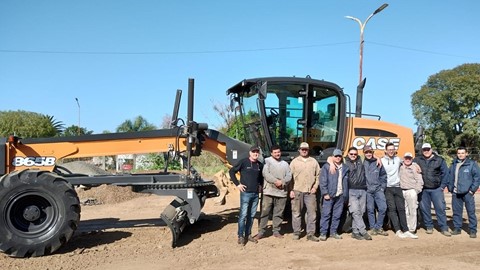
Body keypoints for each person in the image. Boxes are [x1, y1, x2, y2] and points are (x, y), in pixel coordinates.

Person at [229, 145, 264, 245]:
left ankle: (248, 234)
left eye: (257, 152)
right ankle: (240, 236)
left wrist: (260, 186)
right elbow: (232, 171)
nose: (255, 154)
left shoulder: (259, 165)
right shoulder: (243, 162)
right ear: (250, 153)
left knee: (251, 215)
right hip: (246, 193)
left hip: (255, 194)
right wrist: (237, 184)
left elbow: (261, 178)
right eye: (253, 152)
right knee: (243, 215)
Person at [381, 142, 417, 239]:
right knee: (392, 209)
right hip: (387, 188)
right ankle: (397, 230)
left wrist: (416, 165)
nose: (391, 151)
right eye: (389, 149)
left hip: (397, 187)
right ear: (385, 150)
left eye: (392, 149)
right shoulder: (381, 160)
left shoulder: (398, 159)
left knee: (401, 209)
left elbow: (408, 161)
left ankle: (405, 230)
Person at [413, 143, 451, 236]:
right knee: (425, 209)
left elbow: (445, 174)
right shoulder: (417, 159)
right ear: (422, 151)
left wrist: (442, 186)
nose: (426, 151)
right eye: (424, 150)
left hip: (436, 189)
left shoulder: (439, 160)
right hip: (423, 189)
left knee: (440, 209)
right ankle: (429, 226)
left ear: (431, 149)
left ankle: (444, 228)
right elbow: (407, 162)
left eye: (428, 149)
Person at [255, 145, 292, 239]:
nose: (277, 154)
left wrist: (282, 182)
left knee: (279, 213)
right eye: (275, 152)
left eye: (278, 152)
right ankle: (261, 231)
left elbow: (289, 176)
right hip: (268, 191)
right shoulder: (267, 161)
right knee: (265, 212)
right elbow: (265, 174)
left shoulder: (285, 164)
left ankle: (276, 231)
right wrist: (275, 181)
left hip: (281, 192)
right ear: (271, 153)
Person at [289, 142, 321, 242]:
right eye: (302, 149)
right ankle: (297, 232)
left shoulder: (314, 162)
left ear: (308, 150)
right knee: (296, 213)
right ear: (299, 150)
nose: (304, 151)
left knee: (312, 213)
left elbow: (318, 175)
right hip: (297, 190)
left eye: (306, 149)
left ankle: (310, 233)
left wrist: (315, 187)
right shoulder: (294, 162)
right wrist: (291, 190)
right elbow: (289, 178)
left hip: (310, 192)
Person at [447, 147, 480, 238]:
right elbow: (449, 177)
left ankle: (473, 230)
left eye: (462, 153)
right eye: (459, 153)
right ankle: (457, 228)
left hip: (467, 193)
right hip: (456, 192)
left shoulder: (472, 164)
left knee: (471, 212)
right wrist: (450, 188)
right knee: (457, 212)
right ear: (457, 154)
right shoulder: (453, 164)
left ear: (466, 154)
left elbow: (477, 178)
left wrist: (472, 190)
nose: (460, 155)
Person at [318, 149, 349, 241]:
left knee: (337, 215)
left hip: (340, 195)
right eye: (336, 156)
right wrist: (325, 193)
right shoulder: (327, 167)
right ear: (333, 157)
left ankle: (333, 232)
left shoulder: (345, 168)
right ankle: (323, 233)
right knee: (326, 214)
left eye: (339, 156)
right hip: (329, 195)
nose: (338, 158)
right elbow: (322, 181)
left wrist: (345, 195)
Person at [344, 147, 372, 240]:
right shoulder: (344, 161)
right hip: (351, 190)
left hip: (362, 190)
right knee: (355, 212)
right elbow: (331, 158)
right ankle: (363, 231)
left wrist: (378, 157)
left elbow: (370, 155)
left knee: (361, 212)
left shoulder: (361, 159)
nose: (353, 156)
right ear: (348, 154)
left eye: (355, 154)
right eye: (351, 154)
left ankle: (355, 232)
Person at [363, 145, 389, 236]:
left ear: (372, 152)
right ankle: (372, 228)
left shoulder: (378, 162)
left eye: (370, 152)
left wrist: (382, 188)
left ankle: (379, 227)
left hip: (378, 189)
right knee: (370, 209)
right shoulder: (362, 162)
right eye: (366, 152)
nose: (368, 154)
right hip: (368, 190)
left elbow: (383, 176)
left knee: (383, 208)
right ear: (364, 153)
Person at [399, 152, 423, 234]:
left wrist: (416, 191)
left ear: (412, 159)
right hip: (402, 191)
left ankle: (412, 229)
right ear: (403, 158)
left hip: (412, 191)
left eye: (409, 158)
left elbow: (420, 181)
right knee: (404, 211)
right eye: (406, 158)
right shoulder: (400, 166)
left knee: (412, 210)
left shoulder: (415, 168)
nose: (408, 159)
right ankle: (406, 227)